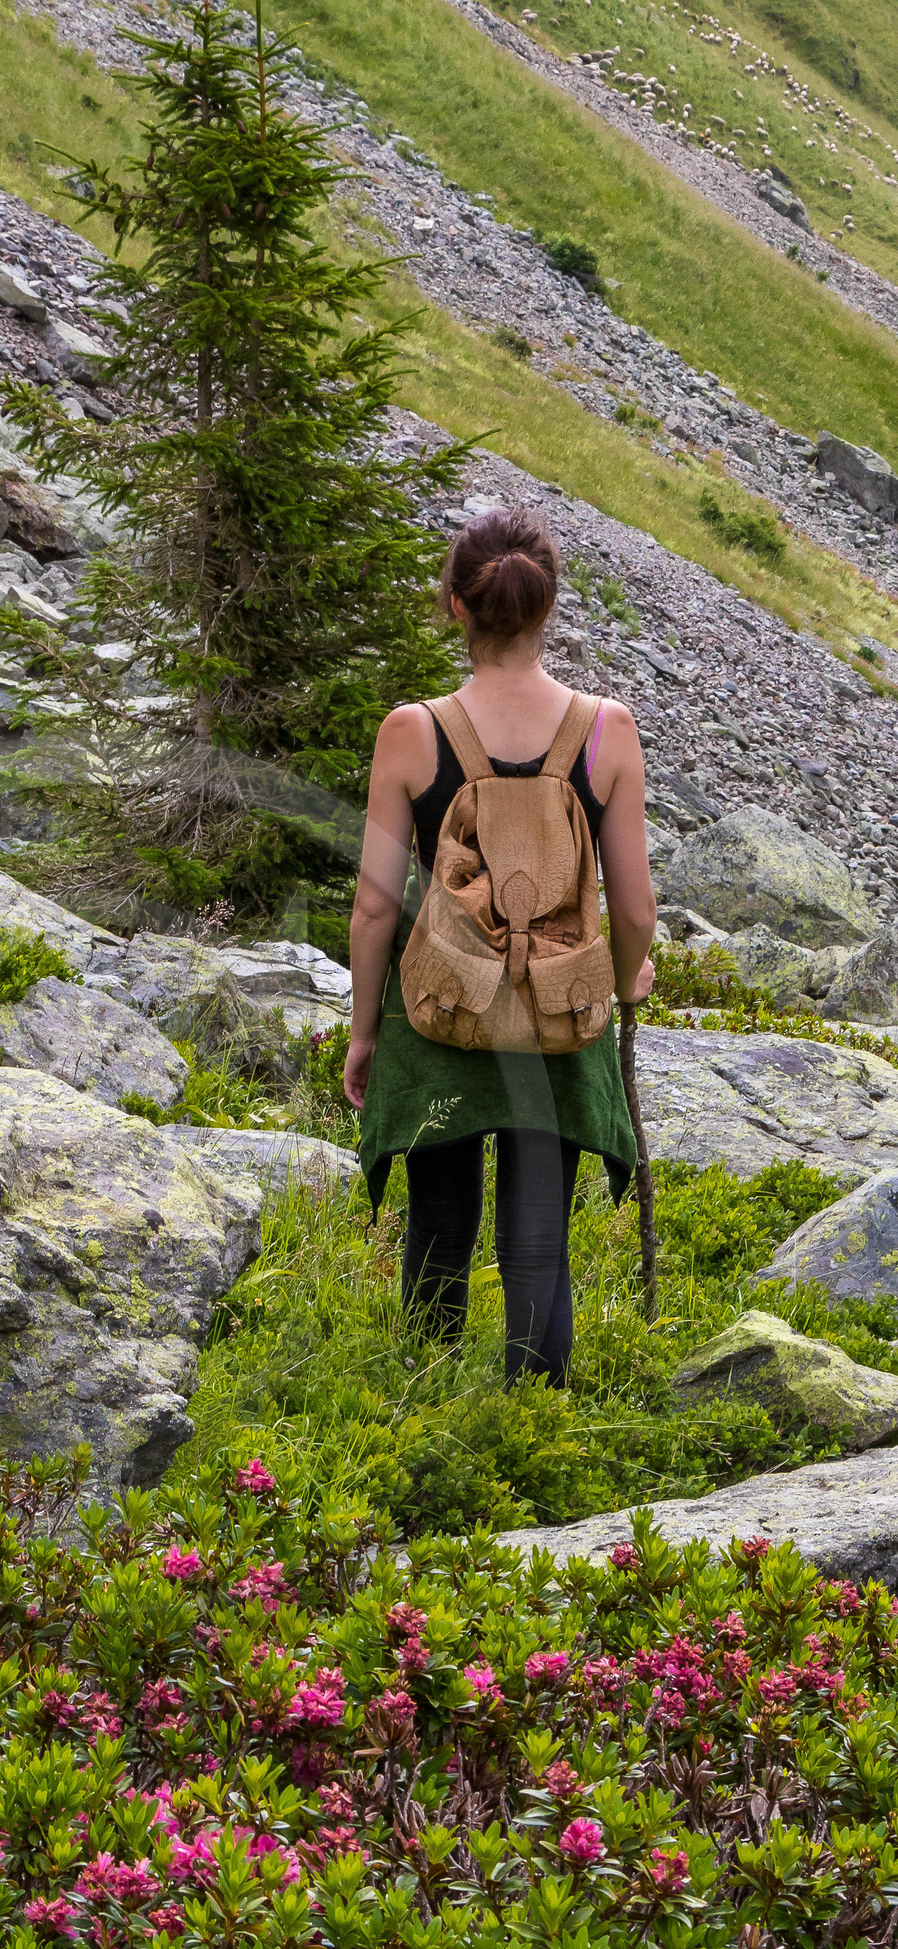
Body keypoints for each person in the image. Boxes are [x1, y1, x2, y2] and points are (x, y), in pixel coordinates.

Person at [343, 506, 657, 1386]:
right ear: (548, 608)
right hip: (559, 1008)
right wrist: (626, 979)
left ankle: (426, 1399)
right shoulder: (607, 730)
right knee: (537, 1239)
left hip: (442, 1006)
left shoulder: (413, 731)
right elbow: (634, 906)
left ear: (456, 606)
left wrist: (367, 1031)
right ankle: (535, 1418)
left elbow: (374, 907)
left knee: (438, 1223)